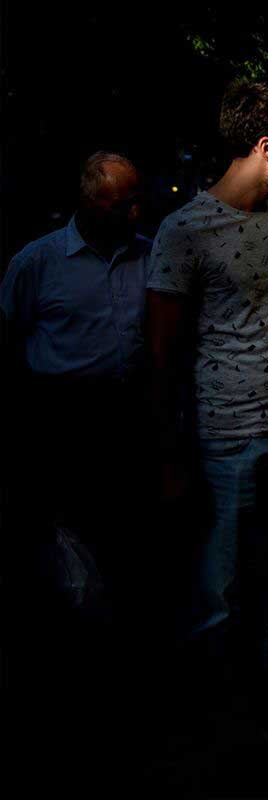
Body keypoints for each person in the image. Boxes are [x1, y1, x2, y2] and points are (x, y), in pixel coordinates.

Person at [145, 82, 268, 756]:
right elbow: (161, 353)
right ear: (266, 146)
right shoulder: (185, 230)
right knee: (218, 595)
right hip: (224, 440)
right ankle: (215, 733)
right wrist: (170, 456)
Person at [1, 151, 152, 616]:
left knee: (131, 537)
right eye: (119, 205)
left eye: (135, 201)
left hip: (132, 411)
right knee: (71, 542)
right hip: (64, 416)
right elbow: (11, 336)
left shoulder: (148, 255)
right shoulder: (37, 263)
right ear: (88, 204)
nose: (134, 213)